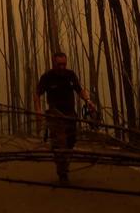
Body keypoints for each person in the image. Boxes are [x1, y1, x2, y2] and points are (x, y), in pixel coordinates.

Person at [35, 51, 97, 184]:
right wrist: (38, 110)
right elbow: (37, 93)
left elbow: (79, 90)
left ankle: (63, 161)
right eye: (59, 64)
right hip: (55, 114)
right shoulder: (47, 77)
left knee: (70, 142)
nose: (62, 67)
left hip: (70, 114)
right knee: (61, 142)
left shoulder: (70, 75)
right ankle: (62, 173)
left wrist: (88, 101)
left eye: (64, 64)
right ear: (54, 63)